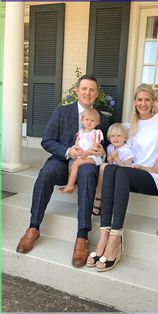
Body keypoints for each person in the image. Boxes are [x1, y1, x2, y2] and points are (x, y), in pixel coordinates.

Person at [16, 75, 109, 268]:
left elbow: (108, 146)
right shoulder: (62, 112)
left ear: (96, 94)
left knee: (87, 174)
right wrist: (67, 151)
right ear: (77, 90)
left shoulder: (102, 119)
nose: (87, 93)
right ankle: (33, 227)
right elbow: (47, 140)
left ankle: (82, 236)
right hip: (62, 160)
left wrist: (103, 151)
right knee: (46, 173)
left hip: (85, 164)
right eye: (84, 88)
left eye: (92, 89)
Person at [87, 83, 158, 272]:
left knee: (121, 172)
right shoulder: (128, 126)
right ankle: (104, 235)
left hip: (153, 175)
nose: (143, 104)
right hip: (129, 174)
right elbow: (113, 144)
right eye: (139, 100)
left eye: (147, 100)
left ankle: (116, 238)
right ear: (134, 102)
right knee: (110, 169)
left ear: (153, 101)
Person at [92, 123, 134, 216]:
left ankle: (99, 199)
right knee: (103, 166)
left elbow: (127, 168)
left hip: (122, 175)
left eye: (119, 136)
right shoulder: (110, 147)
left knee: (103, 167)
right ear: (109, 138)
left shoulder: (127, 150)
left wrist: (116, 159)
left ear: (125, 138)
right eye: (112, 136)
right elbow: (110, 164)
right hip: (112, 173)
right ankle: (100, 198)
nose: (115, 138)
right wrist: (110, 160)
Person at [60, 108, 104, 194]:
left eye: (92, 120)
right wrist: (77, 149)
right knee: (71, 164)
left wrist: (87, 153)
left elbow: (95, 147)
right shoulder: (80, 132)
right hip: (82, 155)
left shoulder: (96, 133)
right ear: (82, 120)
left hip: (93, 157)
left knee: (76, 164)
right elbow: (77, 144)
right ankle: (72, 184)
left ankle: (70, 185)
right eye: (87, 120)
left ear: (97, 123)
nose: (89, 122)